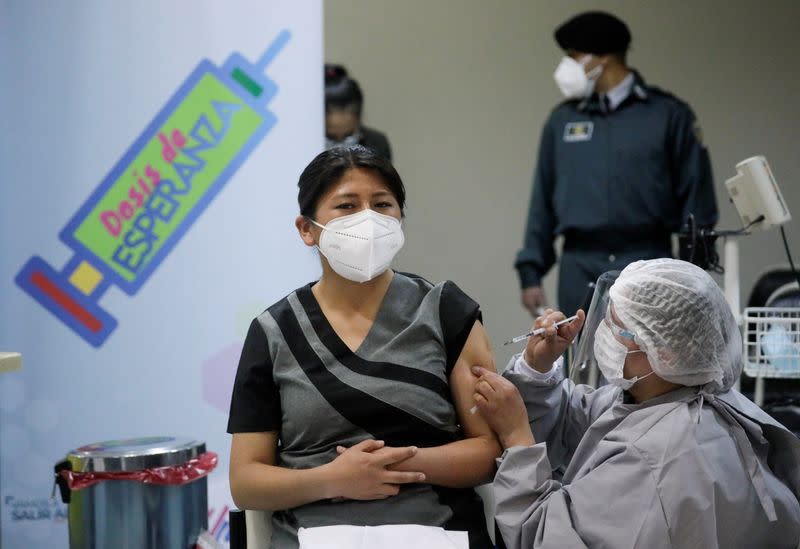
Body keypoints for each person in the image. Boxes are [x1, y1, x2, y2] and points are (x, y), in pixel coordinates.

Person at [227, 145, 500, 548]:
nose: (367, 219)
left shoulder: (445, 311)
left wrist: (396, 465)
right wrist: (332, 479)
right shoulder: (274, 331)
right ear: (307, 229)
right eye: (347, 206)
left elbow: (489, 450)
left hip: (435, 530)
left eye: (382, 204)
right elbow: (246, 481)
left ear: (400, 219)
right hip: (314, 532)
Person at [473, 258, 800, 548]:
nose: (604, 331)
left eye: (618, 328)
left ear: (666, 354)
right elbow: (586, 420)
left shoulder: (657, 460)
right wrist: (537, 370)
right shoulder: (679, 395)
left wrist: (517, 438)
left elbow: (542, 536)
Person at [516, 11, 719, 318]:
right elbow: (542, 200)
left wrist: (693, 275)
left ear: (602, 58)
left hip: (648, 261)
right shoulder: (563, 121)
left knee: (648, 360)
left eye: (574, 56)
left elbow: (696, 197)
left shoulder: (667, 115)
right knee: (581, 361)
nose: (566, 66)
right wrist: (530, 272)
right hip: (579, 264)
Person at [324, 64, 392, 161]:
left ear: (358, 121)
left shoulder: (376, 143)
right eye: (330, 138)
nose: (339, 149)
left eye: (348, 136)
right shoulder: (301, 145)